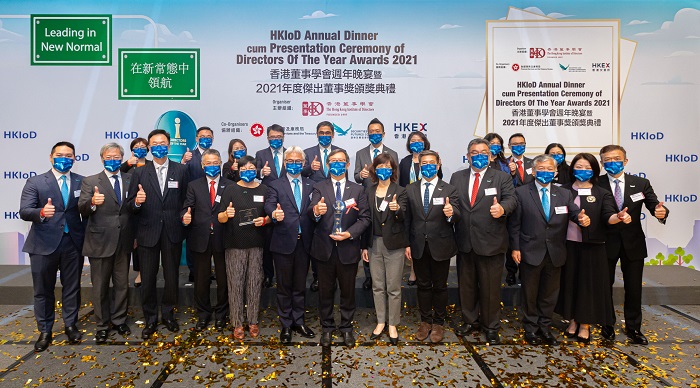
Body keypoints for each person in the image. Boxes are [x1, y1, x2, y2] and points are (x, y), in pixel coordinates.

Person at [508, 154, 589, 346]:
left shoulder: (564, 194)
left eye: (549, 169)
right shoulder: (520, 192)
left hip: (555, 252)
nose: (545, 172)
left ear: (555, 172)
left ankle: (544, 327)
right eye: (541, 169)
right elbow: (514, 225)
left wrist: (581, 219)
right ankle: (531, 328)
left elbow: (574, 213)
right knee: (530, 293)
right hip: (529, 251)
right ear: (534, 171)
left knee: (549, 294)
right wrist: (515, 248)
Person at [598, 145, 669, 345]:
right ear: (602, 163)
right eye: (607, 159)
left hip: (633, 242)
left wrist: (660, 212)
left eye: (616, 158)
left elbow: (654, 205)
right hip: (604, 242)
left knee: (634, 287)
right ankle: (607, 324)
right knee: (605, 285)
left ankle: (634, 327)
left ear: (626, 161)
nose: (612, 162)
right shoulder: (596, 183)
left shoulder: (641, 183)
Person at [19, 141, 87, 352]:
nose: (64, 158)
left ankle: (70, 325)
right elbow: (24, 211)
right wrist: (40, 213)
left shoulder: (81, 181)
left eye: (69, 155)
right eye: (60, 154)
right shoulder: (36, 181)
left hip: (72, 243)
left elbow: (87, 208)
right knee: (43, 290)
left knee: (72, 288)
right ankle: (45, 330)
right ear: (51, 157)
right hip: (42, 244)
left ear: (75, 159)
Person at [451, 138, 517, 345]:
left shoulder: (501, 177)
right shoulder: (457, 177)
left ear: (490, 156)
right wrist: (449, 211)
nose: (478, 156)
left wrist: (502, 209)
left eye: (483, 152)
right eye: (474, 152)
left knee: (490, 287)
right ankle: (470, 320)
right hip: (465, 241)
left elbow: (512, 199)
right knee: (467, 285)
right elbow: (453, 204)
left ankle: (491, 326)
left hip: (491, 242)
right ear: (468, 156)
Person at [555, 152, 625, 344]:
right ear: (572, 169)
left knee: (588, 286)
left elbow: (608, 215)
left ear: (594, 169)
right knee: (570, 283)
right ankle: (572, 320)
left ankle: (585, 324)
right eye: (579, 167)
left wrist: (617, 218)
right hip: (567, 245)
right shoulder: (562, 190)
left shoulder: (602, 192)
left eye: (587, 168)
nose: (583, 171)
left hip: (593, 247)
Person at [126, 129, 189, 339]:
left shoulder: (181, 170)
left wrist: (184, 216)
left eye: (163, 143)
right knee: (148, 278)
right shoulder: (140, 172)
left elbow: (186, 201)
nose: (159, 146)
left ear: (169, 146)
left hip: (172, 230)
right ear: (149, 147)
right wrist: (137, 201)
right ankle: (150, 318)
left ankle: (169, 315)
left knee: (171, 277)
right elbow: (130, 205)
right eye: (155, 143)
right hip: (147, 231)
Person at [309, 149, 370, 347]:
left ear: (348, 164)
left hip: (348, 248)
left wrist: (350, 234)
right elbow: (311, 212)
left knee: (348, 292)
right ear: (328, 164)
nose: (337, 164)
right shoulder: (319, 187)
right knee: (325, 291)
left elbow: (365, 218)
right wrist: (316, 211)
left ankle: (346, 328)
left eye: (341, 161)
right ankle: (326, 327)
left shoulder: (358, 190)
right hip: (324, 249)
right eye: (333, 161)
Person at [78, 143, 134, 344]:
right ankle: (102, 325)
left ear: (122, 158)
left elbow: (131, 210)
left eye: (117, 157)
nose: (113, 160)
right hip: (100, 241)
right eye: (109, 157)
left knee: (122, 284)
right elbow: (82, 209)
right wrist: (92, 202)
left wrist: (137, 204)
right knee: (100, 286)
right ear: (102, 158)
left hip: (124, 241)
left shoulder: (129, 178)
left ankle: (119, 320)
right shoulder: (91, 181)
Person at [404, 150, 460, 343]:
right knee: (423, 285)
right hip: (418, 245)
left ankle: (438, 323)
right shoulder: (410, 189)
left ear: (438, 165)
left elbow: (458, 214)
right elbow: (407, 220)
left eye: (431, 163)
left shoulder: (449, 189)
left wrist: (451, 213)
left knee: (440, 286)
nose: (427, 166)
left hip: (441, 245)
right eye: (424, 163)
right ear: (419, 165)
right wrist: (407, 244)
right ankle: (425, 321)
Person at [265, 147, 317, 344]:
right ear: (285, 163)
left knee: (299, 285)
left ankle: (299, 321)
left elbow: (314, 210)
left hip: (305, 243)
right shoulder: (275, 185)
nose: (294, 163)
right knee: (284, 286)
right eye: (290, 160)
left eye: (297, 160)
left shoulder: (312, 184)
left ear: (303, 163)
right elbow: (269, 204)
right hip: (283, 242)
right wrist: (273, 214)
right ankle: (286, 324)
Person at [217, 155, 271, 340]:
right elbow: (220, 218)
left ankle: (253, 320)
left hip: (256, 243)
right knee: (235, 283)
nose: (248, 171)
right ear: (238, 170)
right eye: (244, 168)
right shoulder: (231, 189)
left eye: (251, 168)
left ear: (256, 170)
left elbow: (270, 215)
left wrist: (265, 220)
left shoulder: (264, 189)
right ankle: (237, 322)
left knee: (255, 282)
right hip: (234, 244)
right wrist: (226, 213)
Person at [360, 153, 409, 345]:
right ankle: (381, 321)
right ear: (374, 169)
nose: (384, 170)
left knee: (394, 287)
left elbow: (404, 217)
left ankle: (393, 324)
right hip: (373, 244)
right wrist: (364, 245)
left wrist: (398, 210)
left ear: (393, 170)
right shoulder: (368, 191)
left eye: (387, 167)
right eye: (380, 167)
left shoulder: (401, 191)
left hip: (394, 245)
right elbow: (365, 220)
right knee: (378, 285)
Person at [182, 148, 231, 331]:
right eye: (208, 163)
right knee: (201, 281)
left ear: (220, 163)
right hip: (200, 237)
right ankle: (203, 315)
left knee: (223, 280)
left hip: (223, 237)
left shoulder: (229, 184)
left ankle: (221, 315)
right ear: (202, 166)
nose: (212, 166)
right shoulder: (193, 185)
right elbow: (187, 207)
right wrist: (184, 217)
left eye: (215, 162)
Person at [354, 118, 399, 290]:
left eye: (377, 131)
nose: (374, 134)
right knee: (368, 236)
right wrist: (362, 175)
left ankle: (387, 274)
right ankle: (369, 276)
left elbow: (396, 177)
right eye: (371, 131)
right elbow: (356, 176)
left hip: (387, 197)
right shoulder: (360, 153)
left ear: (384, 133)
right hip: (368, 197)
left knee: (385, 233)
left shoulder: (392, 153)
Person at [301, 121, 344, 291]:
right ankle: (318, 276)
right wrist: (310, 169)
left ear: (333, 135)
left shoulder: (340, 152)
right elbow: (300, 173)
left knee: (334, 237)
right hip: (315, 200)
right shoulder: (308, 153)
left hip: (336, 201)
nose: (324, 135)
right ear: (316, 134)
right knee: (316, 239)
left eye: (328, 132)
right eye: (321, 132)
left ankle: (337, 275)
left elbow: (342, 176)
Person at [181, 126, 216, 281]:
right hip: (193, 201)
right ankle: (193, 270)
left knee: (210, 239)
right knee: (193, 238)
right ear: (196, 138)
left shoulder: (215, 156)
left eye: (209, 136)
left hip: (212, 202)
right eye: (202, 136)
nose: (206, 138)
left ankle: (208, 270)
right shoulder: (190, 156)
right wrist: (183, 161)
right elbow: (181, 176)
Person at [255, 124, 287, 288]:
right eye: (272, 137)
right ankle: (268, 275)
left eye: (279, 137)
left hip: (287, 200)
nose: (276, 139)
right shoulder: (261, 154)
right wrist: (261, 172)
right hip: (268, 201)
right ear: (267, 138)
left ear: (283, 137)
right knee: (267, 240)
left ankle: (284, 275)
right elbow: (253, 172)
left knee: (284, 238)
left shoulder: (290, 154)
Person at [505, 132, 533, 286]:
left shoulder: (533, 163)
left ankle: (524, 271)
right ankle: (510, 272)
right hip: (511, 207)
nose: (518, 146)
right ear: (509, 147)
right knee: (512, 240)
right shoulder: (504, 164)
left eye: (521, 143)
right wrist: (512, 173)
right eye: (514, 144)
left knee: (526, 239)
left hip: (530, 207)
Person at [120, 137, 148, 288]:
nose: (140, 148)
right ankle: (138, 271)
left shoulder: (151, 164)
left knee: (145, 242)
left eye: (143, 146)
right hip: (130, 209)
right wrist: (128, 163)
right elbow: (115, 175)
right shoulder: (128, 166)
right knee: (134, 242)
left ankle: (145, 272)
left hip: (148, 208)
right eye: (137, 146)